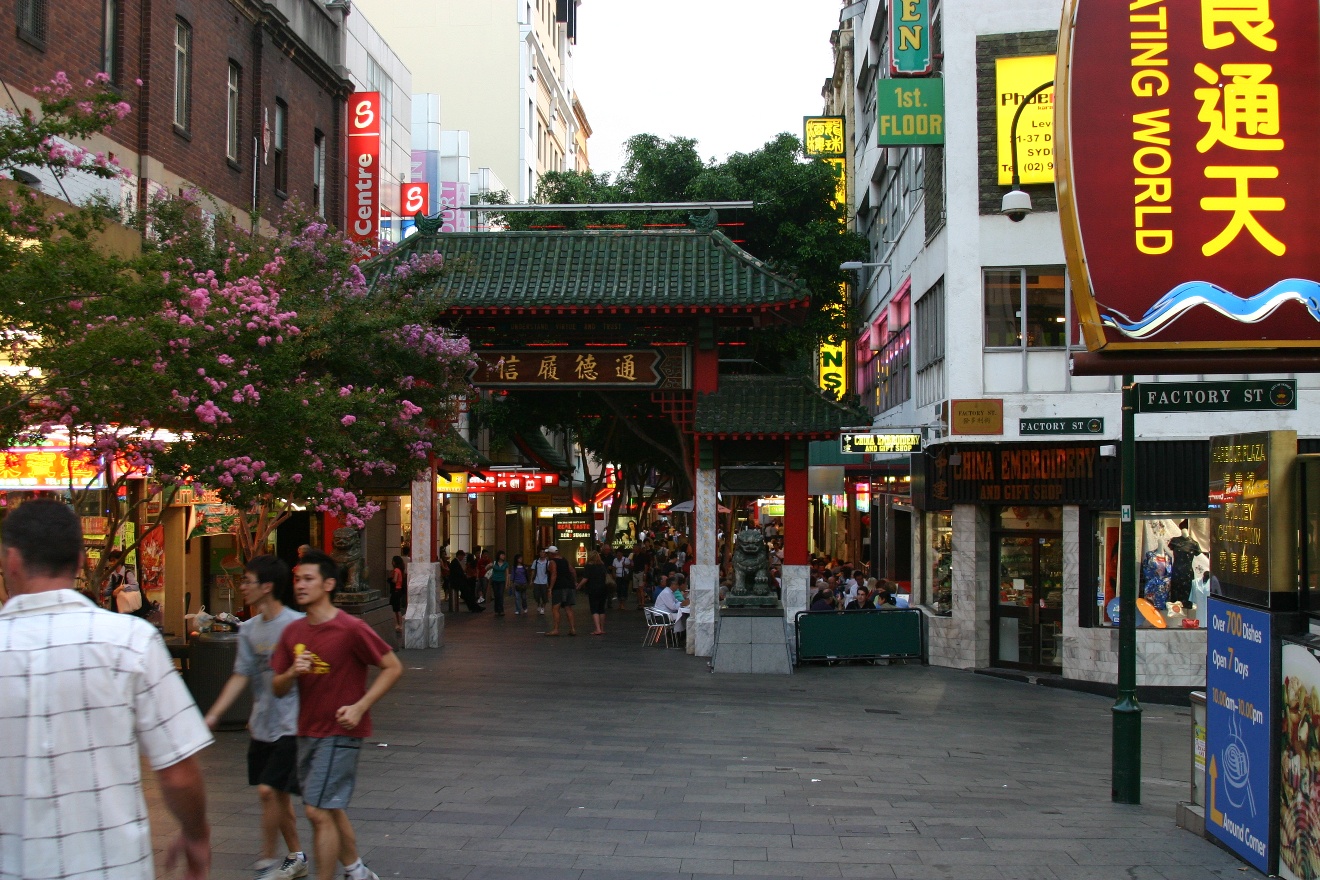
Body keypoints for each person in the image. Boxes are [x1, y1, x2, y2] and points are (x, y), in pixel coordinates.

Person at [0, 499, 213, 880]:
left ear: (10, 560)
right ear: (81, 560)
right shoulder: (131, 641)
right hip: (111, 866)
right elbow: (178, 771)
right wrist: (196, 834)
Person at [271, 549, 403, 880]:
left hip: (341, 730)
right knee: (328, 806)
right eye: (297, 579)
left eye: (308, 579)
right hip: (307, 731)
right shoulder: (293, 632)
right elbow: (277, 686)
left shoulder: (350, 628)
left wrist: (360, 706)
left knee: (316, 810)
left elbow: (392, 666)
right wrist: (292, 674)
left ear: (329, 584)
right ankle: (357, 870)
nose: (300, 585)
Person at [204, 555, 309, 880]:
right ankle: (296, 855)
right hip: (262, 722)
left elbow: (308, 675)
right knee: (275, 794)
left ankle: (268, 858)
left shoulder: (296, 624)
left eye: (248, 581)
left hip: (292, 722)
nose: (243, 587)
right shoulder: (248, 629)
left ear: (267, 586)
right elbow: (241, 674)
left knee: (268, 789)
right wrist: (215, 713)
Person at [544, 546, 577, 636]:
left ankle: (556, 629)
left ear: (551, 554)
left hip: (559, 587)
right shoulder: (564, 560)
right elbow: (573, 571)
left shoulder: (552, 562)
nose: (547, 555)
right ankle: (572, 629)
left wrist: (550, 588)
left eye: (548, 553)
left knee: (555, 608)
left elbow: (554, 574)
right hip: (569, 586)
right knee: (568, 608)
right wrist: (574, 582)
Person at [578, 550, 610, 635]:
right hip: (603, 589)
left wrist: (579, 585)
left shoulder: (589, 566)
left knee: (594, 609)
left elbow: (586, 578)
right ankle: (602, 629)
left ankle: (597, 629)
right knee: (601, 609)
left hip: (593, 589)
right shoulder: (602, 565)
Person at [653, 572, 689, 646]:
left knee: (683, 617)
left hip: (666, 614)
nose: (678, 586)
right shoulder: (666, 593)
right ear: (672, 585)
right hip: (661, 616)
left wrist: (681, 603)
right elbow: (672, 607)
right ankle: (677, 636)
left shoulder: (670, 592)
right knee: (682, 617)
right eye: (676, 584)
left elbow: (676, 602)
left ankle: (679, 636)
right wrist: (682, 604)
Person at [530, 547, 552, 616]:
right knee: (536, 595)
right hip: (537, 581)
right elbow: (533, 571)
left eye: (543, 552)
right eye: (541, 552)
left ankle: (542, 607)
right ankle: (538, 604)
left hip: (544, 582)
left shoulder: (548, 563)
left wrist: (549, 583)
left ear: (545, 554)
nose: (542, 553)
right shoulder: (536, 562)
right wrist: (531, 580)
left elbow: (550, 572)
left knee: (544, 596)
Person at [388, 555, 407, 634]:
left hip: (395, 591)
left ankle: (397, 624)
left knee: (394, 609)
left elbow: (395, 580)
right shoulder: (400, 570)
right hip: (399, 591)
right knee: (397, 609)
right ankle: (400, 625)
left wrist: (390, 580)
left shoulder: (396, 570)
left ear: (395, 562)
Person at [488, 550, 508, 616]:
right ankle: (496, 610)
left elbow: (507, 574)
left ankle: (501, 610)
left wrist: (507, 583)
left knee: (500, 595)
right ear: (499, 556)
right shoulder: (494, 563)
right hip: (495, 580)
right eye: (502, 555)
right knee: (496, 595)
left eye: (504, 555)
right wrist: (489, 565)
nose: (503, 556)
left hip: (502, 581)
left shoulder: (505, 564)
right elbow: (486, 568)